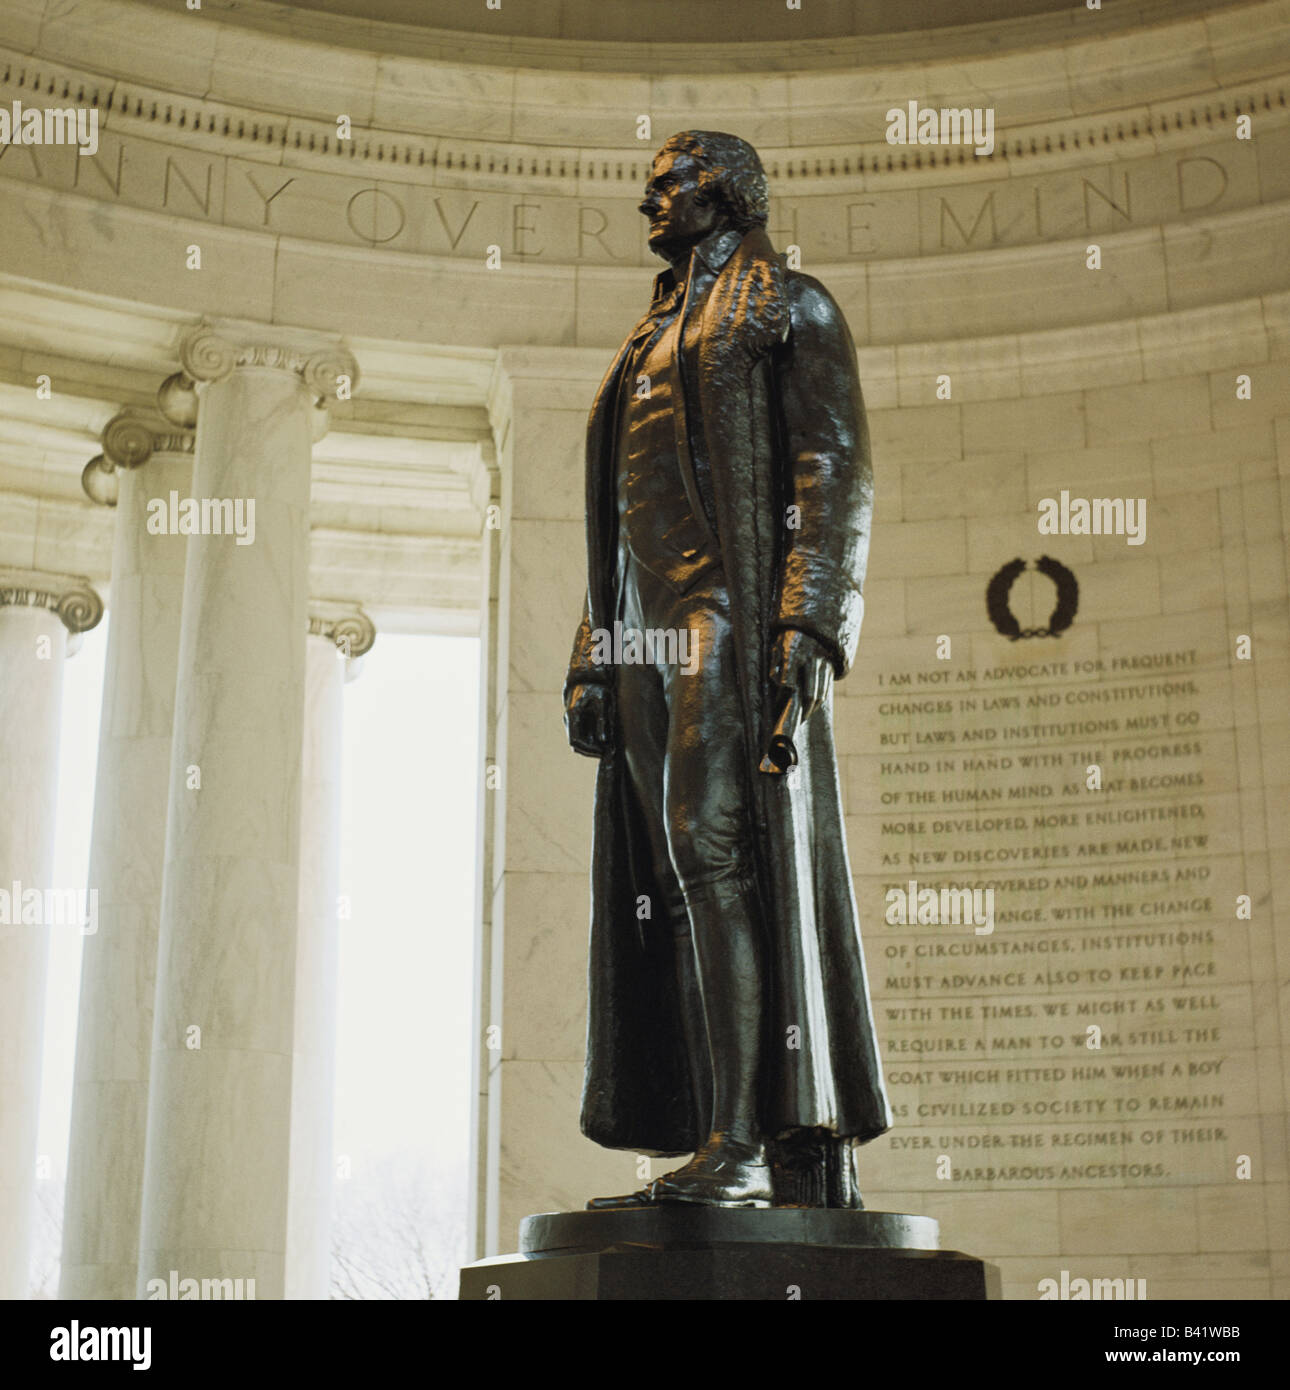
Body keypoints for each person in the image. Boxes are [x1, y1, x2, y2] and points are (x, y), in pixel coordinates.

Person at [564, 131, 891, 1208]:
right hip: (647, 631)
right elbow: (615, 518)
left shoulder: (789, 307)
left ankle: (750, 1141)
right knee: (667, 874)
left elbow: (833, 466)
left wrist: (809, 618)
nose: (648, 198)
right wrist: (595, 656)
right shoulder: (644, 339)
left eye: (668, 180)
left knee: (715, 849)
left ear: (730, 192)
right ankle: (715, 1128)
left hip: (731, 615)